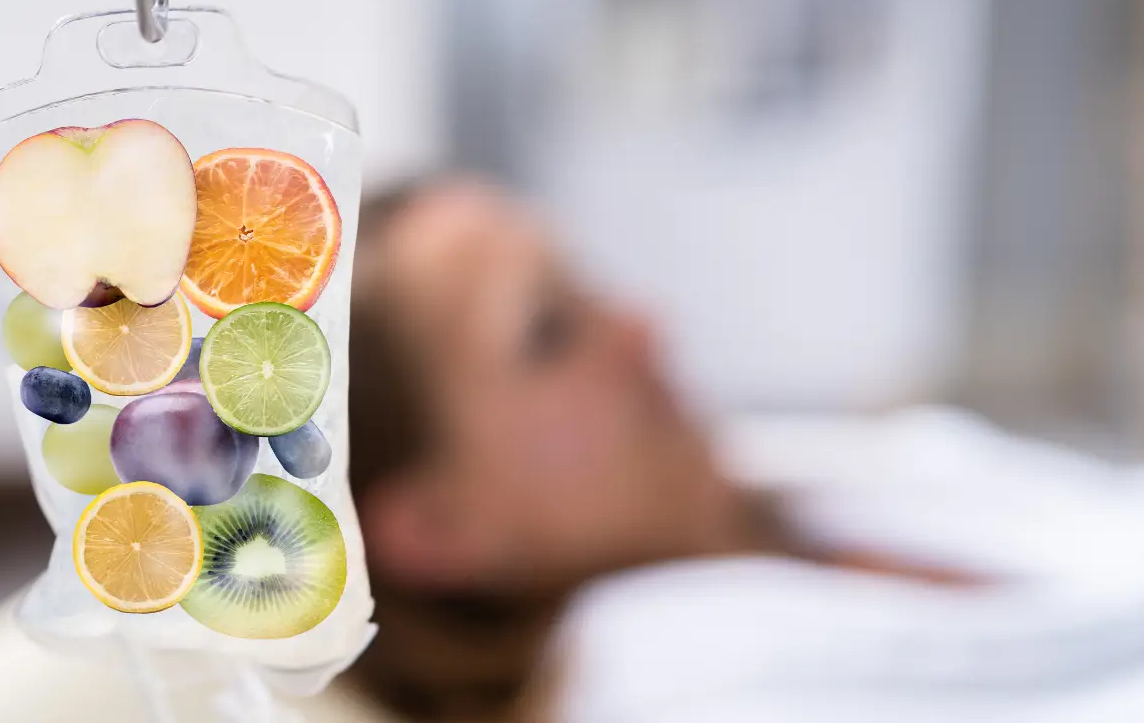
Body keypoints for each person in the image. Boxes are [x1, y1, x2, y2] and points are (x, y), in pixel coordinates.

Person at [345, 178, 1144, 721]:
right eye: (550, 332)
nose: (642, 329)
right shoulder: (674, 695)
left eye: (584, 285)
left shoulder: (788, 481)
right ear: (437, 529)